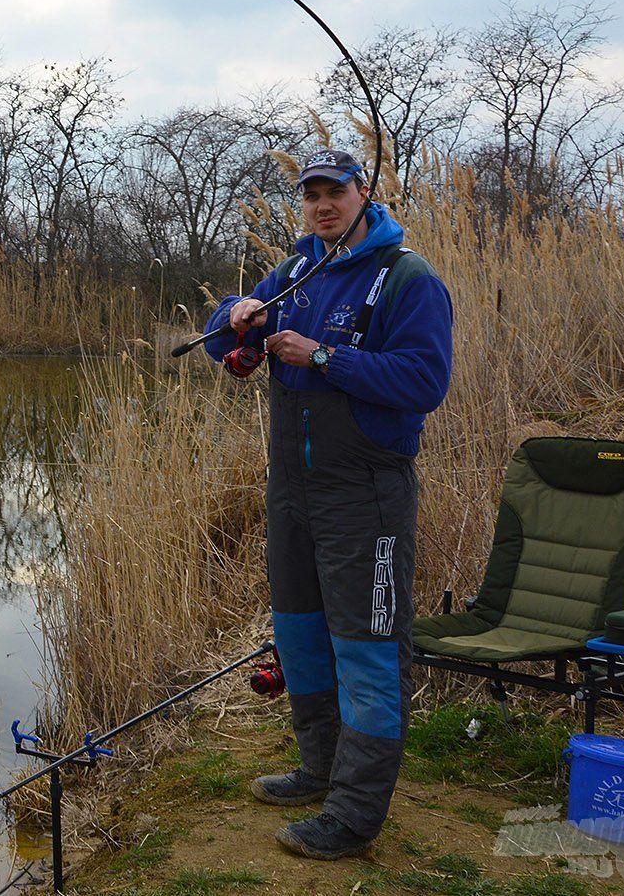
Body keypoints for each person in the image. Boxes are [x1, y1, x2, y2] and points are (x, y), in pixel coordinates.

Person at [201, 147, 454, 860]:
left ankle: (354, 814)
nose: (322, 205)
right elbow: (221, 332)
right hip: (293, 492)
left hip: (366, 495)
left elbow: (423, 381)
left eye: (333, 192)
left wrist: (321, 355)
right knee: (303, 635)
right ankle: (319, 768)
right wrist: (241, 313)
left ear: (361, 191)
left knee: (369, 650)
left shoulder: (407, 277)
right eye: (310, 194)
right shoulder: (296, 269)